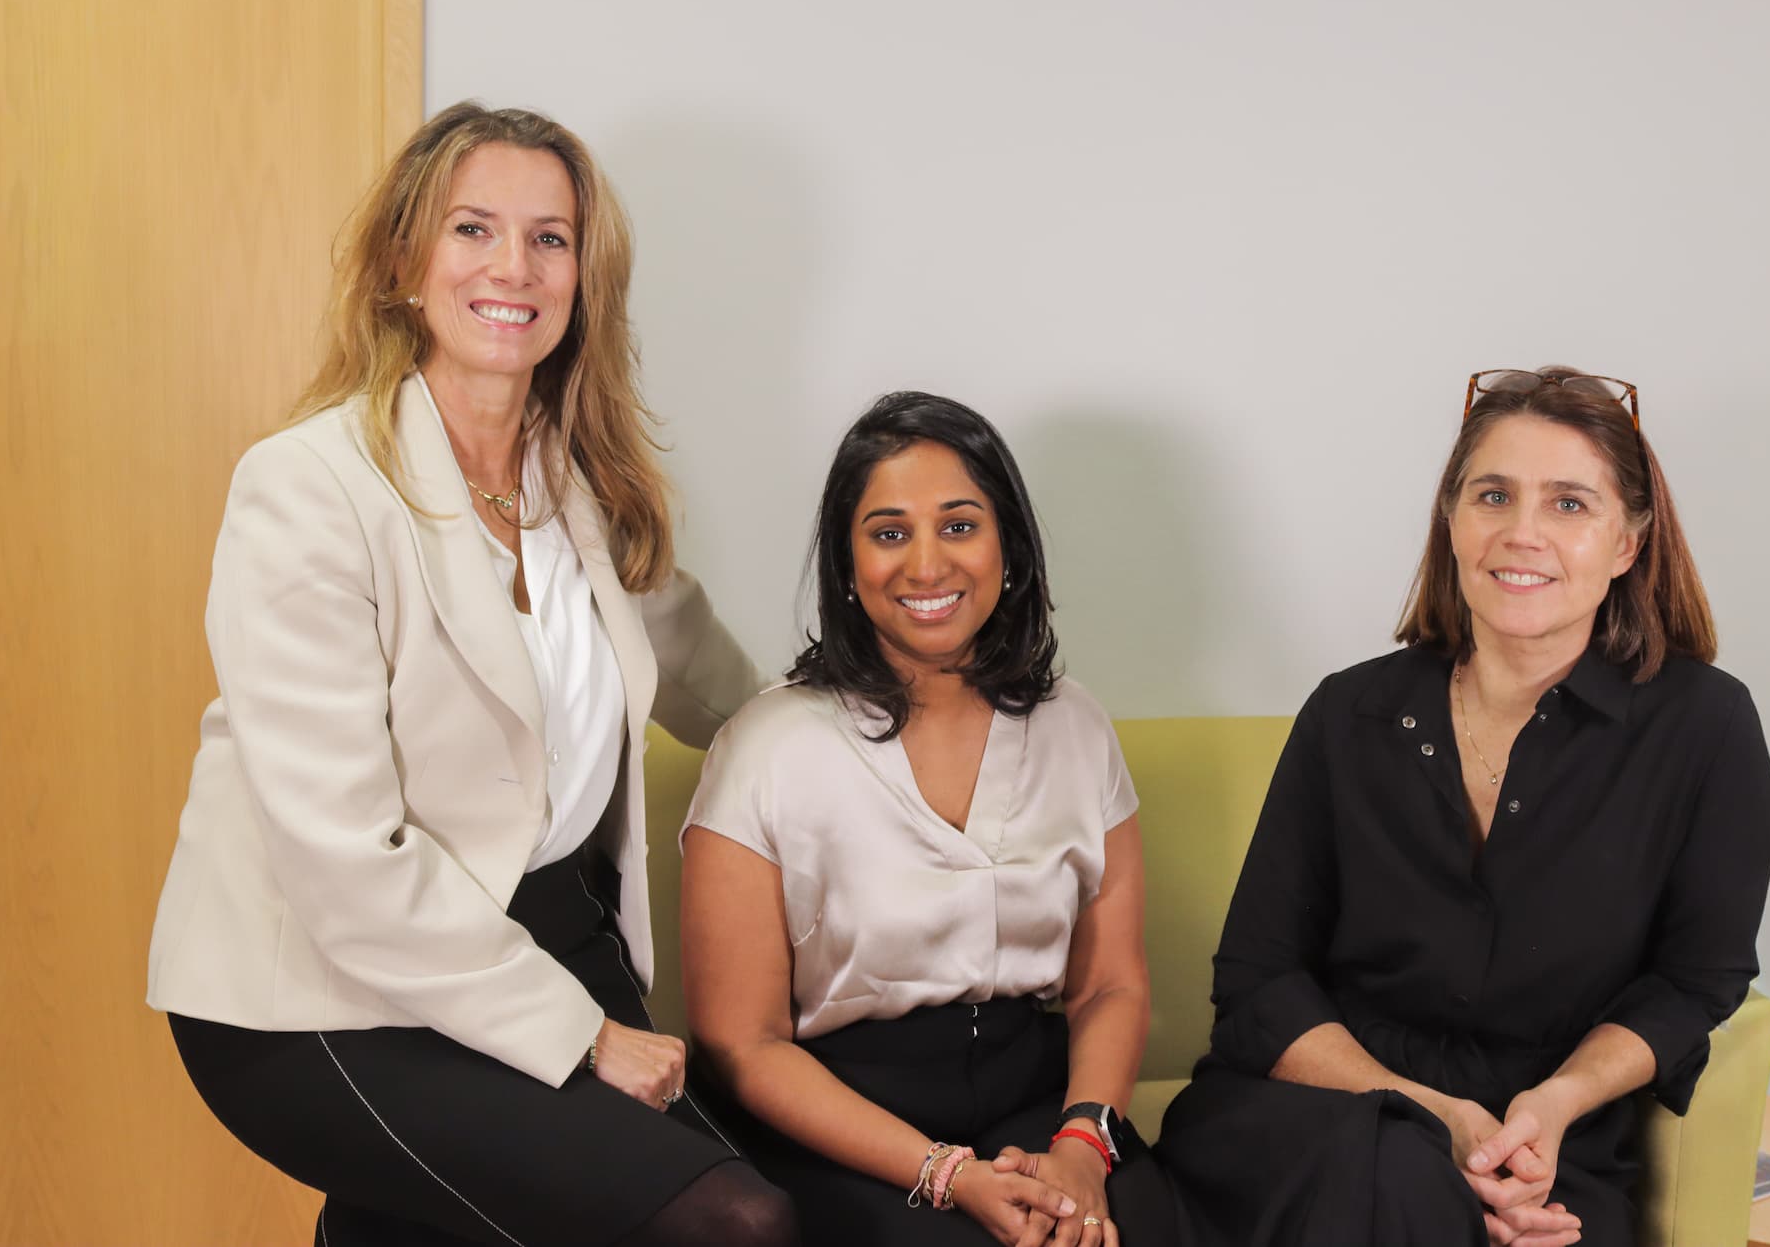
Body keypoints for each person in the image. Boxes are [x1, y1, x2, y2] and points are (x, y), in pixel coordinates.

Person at [146, 102, 796, 1247]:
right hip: (321, 987)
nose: (514, 267)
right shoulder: (306, 488)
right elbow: (342, 865)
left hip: (547, 934)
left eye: (550, 239)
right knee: (729, 1223)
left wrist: (892, 721)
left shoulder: (586, 487)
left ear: (584, 279)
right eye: (473, 230)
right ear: (405, 260)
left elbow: (723, 693)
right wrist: (586, 1036)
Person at [1156, 368, 1770, 1247]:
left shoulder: (1706, 726)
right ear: (1452, 520)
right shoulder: (1348, 713)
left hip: (1546, 1151)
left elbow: (1696, 981)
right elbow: (1259, 982)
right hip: (1317, 1120)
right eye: (1493, 495)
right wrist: (1439, 1119)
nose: (1522, 533)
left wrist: (1551, 1107)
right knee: (1392, 1175)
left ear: (1629, 543)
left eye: (1569, 504)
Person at [678, 392, 1181, 1247]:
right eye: (887, 532)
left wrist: (1081, 1146)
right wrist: (945, 1172)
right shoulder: (765, 747)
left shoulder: (1076, 725)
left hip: (1037, 1100)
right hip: (841, 1124)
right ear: (846, 562)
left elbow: (1109, 985)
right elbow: (745, 1042)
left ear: (1008, 546)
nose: (926, 564)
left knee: (1143, 1231)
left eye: (958, 525)